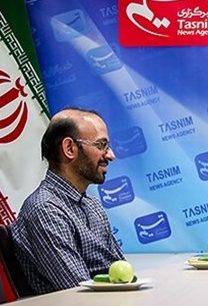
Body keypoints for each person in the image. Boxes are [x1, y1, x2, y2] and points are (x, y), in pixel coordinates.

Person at [12, 107, 126, 294]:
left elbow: (123, 277)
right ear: (70, 149)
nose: (111, 155)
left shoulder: (93, 206)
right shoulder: (45, 210)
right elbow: (79, 292)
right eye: (101, 145)